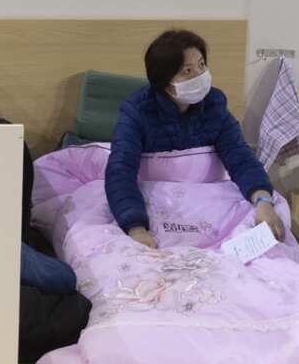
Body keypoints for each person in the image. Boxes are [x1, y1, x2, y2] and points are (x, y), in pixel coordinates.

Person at [106, 29, 285, 248]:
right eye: (187, 71)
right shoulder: (137, 112)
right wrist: (136, 228)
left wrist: (263, 201)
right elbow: (121, 171)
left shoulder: (214, 104)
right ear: (164, 81)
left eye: (201, 65)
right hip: (156, 202)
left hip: (208, 200)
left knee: (270, 226)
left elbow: (241, 158)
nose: (199, 75)